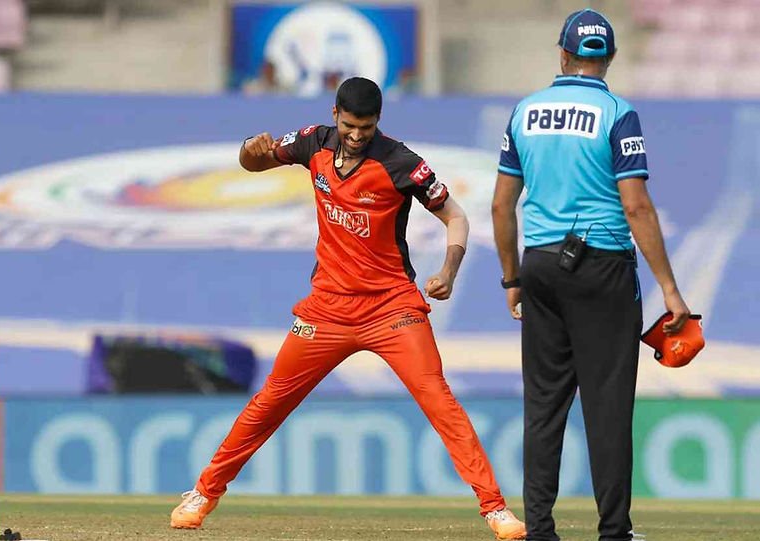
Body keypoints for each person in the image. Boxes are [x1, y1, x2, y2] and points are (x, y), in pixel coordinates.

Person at [171, 77, 527, 540]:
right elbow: (252, 163)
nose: (358, 135)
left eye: (368, 126)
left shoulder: (403, 163)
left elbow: (455, 215)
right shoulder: (311, 142)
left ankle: (495, 509)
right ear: (335, 113)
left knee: (439, 401)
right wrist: (249, 148)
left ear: (379, 121)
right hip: (327, 310)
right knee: (270, 403)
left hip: (391, 307)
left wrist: (449, 269)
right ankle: (203, 493)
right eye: (351, 125)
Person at [491, 9, 690, 541]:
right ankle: (614, 532)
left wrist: (512, 278)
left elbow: (501, 205)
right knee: (606, 405)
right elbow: (637, 206)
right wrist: (670, 289)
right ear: (610, 59)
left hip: (539, 266)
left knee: (543, 405)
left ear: (562, 53)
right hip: (601, 266)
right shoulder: (617, 112)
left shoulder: (526, 110)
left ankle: (540, 530)